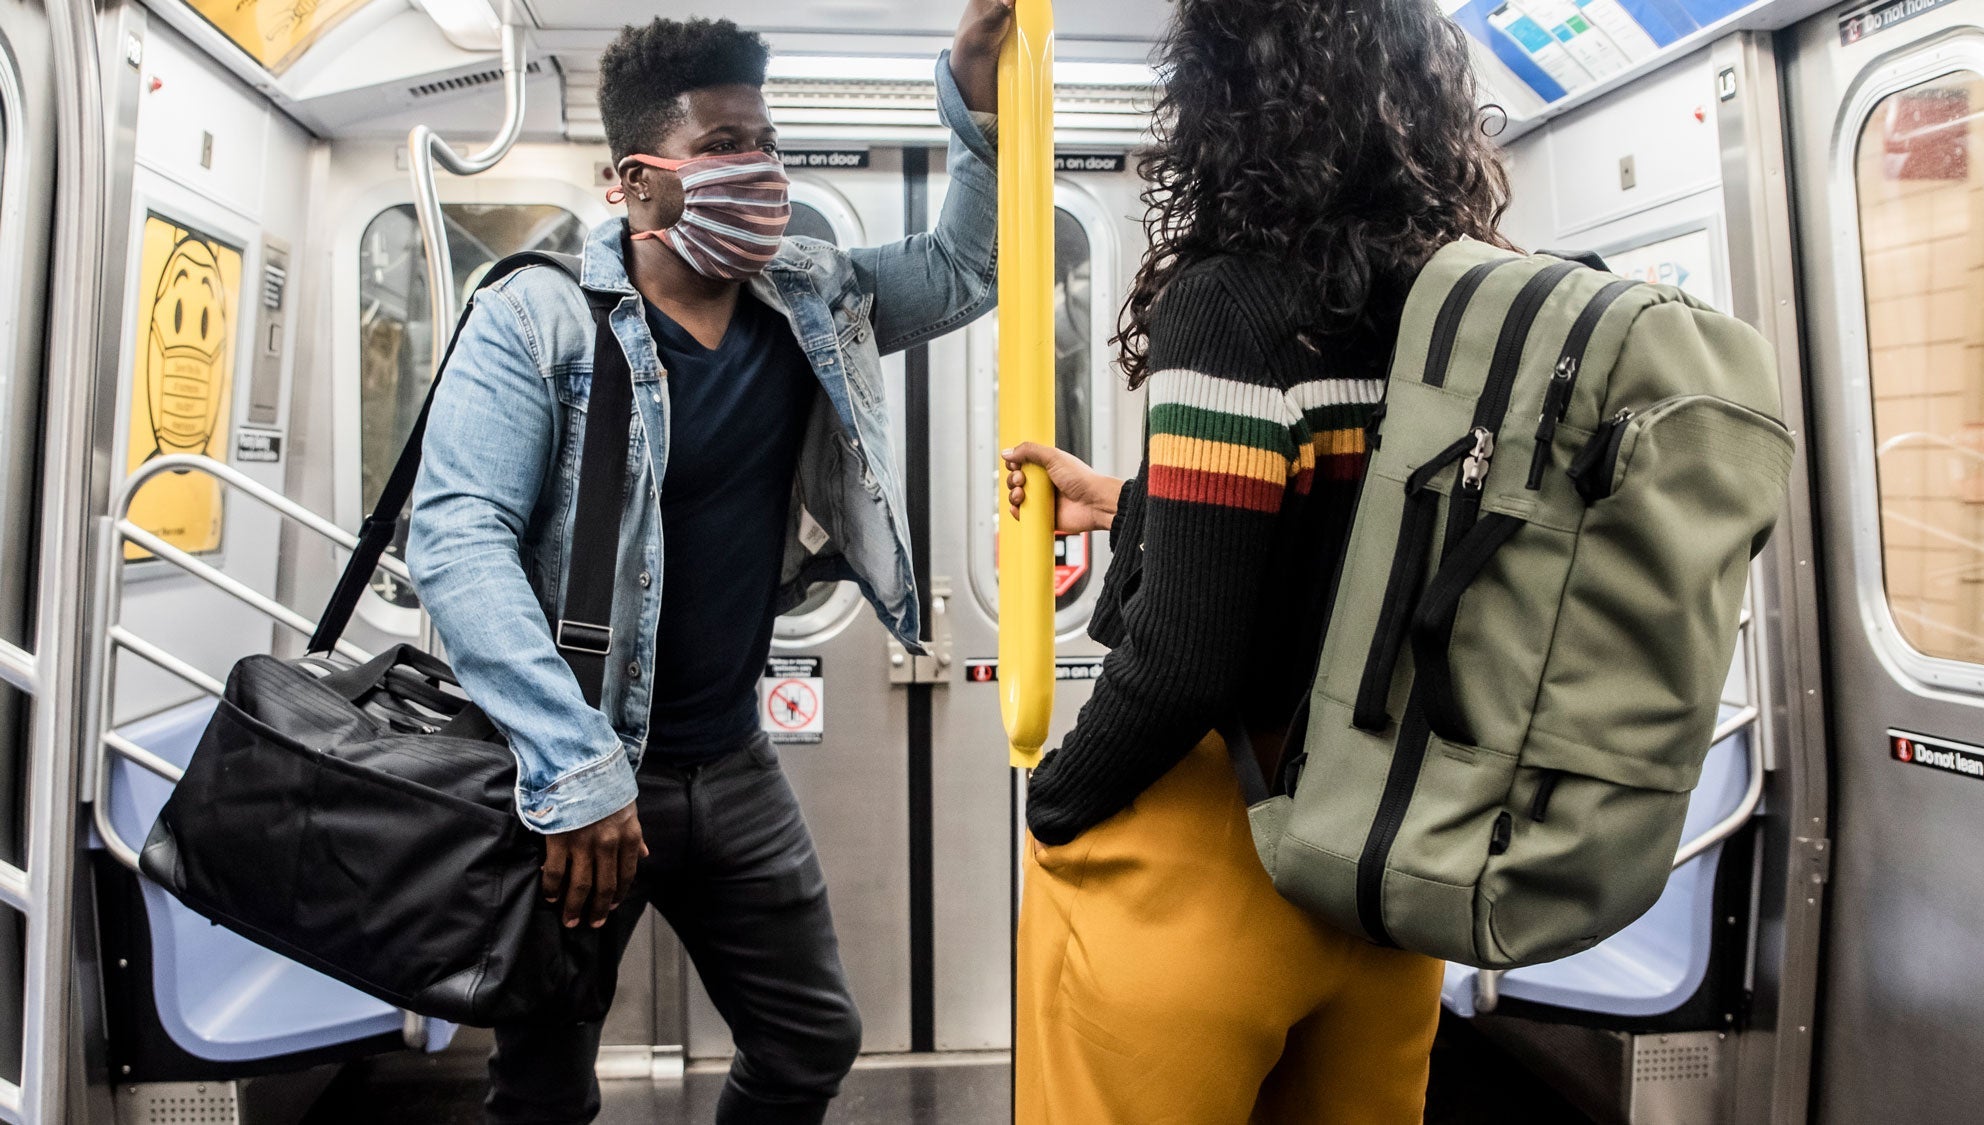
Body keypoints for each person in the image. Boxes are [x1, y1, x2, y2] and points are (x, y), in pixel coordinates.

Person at [406, 6, 1013, 1122]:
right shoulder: (536, 321)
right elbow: (456, 539)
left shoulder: (807, 300)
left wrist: (971, 95)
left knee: (808, 1040)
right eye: (724, 147)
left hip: (732, 766)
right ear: (634, 184)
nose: (761, 171)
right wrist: (575, 773)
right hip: (580, 770)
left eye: (766, 143)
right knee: (541, 1083)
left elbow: (963, 268)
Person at [1002, 0, 1514, 1120]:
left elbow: (1185, 660)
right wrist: (1136, 503)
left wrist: (1057, 805)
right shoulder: (1463, 303)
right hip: (1386, 873)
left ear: (1224, 98)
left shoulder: (1232, 304)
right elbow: (1360, 538)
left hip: (1207, 860)